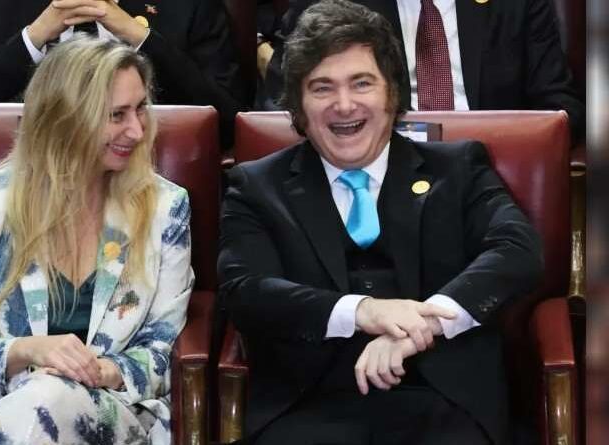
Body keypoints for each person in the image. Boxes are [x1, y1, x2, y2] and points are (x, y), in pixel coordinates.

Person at [218, 1, 543, 444]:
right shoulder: (256, 186)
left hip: (445, 400)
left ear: (392, 93)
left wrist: (422, 327)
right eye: (322, 88)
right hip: (309, 406)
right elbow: (245, 290)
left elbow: (518, 251)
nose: (344, 105)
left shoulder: (458, 169)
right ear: (298, 106)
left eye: (362, 83)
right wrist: (363, 311)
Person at [0, 36, 194, 444]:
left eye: (140, 109)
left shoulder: (166, 208)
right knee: (39, 399)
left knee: (48, 396)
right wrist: (31, 350)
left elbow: (162, 353)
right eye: (116, 115)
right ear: (65, 118)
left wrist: (101, 371)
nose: (136, 129)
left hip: (113, 416)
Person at [0, 0, 245, 147]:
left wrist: (138, 37)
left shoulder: (190, 6)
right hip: (23, 167)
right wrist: (33, 38)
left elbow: (227, 122)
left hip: (147, 165)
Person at [257, 0, 585, 141]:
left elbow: (558, 108)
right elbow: (279, 105)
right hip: (371, 166)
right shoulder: (327, 4)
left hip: (492, 168)